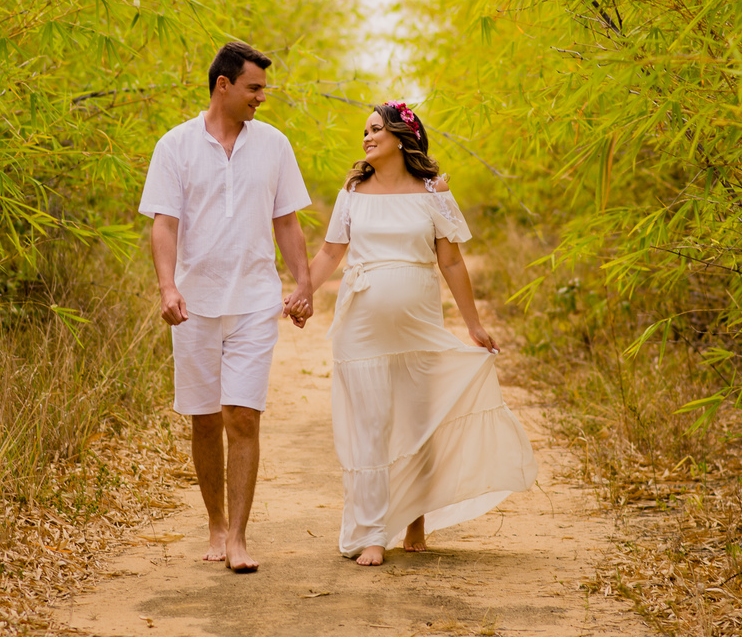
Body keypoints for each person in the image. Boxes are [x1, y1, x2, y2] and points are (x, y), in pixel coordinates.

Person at [304, 102, 538, 566]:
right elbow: (331, 254)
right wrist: (300, 293)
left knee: (418, 423)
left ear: (400, 137)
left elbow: (450, 261)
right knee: (369, 426)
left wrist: (474, 324)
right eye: (364, 131)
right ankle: (372, 533)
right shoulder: (352, 191)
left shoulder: (433, 191)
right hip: (362, 327)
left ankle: (415, 516)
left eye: (375, 130)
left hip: (418, 324)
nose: (367, 137)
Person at [138, 41, 313, 572]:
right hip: (194, 303)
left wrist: (303, 283)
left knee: (243, 415)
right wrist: (168, 288)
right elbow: (164, 222)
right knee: (205, 417)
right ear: (224, 85)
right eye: (255, 87)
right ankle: (214, 522)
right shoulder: (175, 145)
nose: (262, 97)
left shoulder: (275, 145)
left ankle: (238, 537)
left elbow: (287, 221)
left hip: (256, 301)